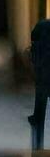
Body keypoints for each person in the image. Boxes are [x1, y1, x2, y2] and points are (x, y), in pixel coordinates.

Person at [30, 17, 50, 150]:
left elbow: (33, 37)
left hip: (43, 72)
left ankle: (37, 145)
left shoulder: (42, 25)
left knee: (40, 104)